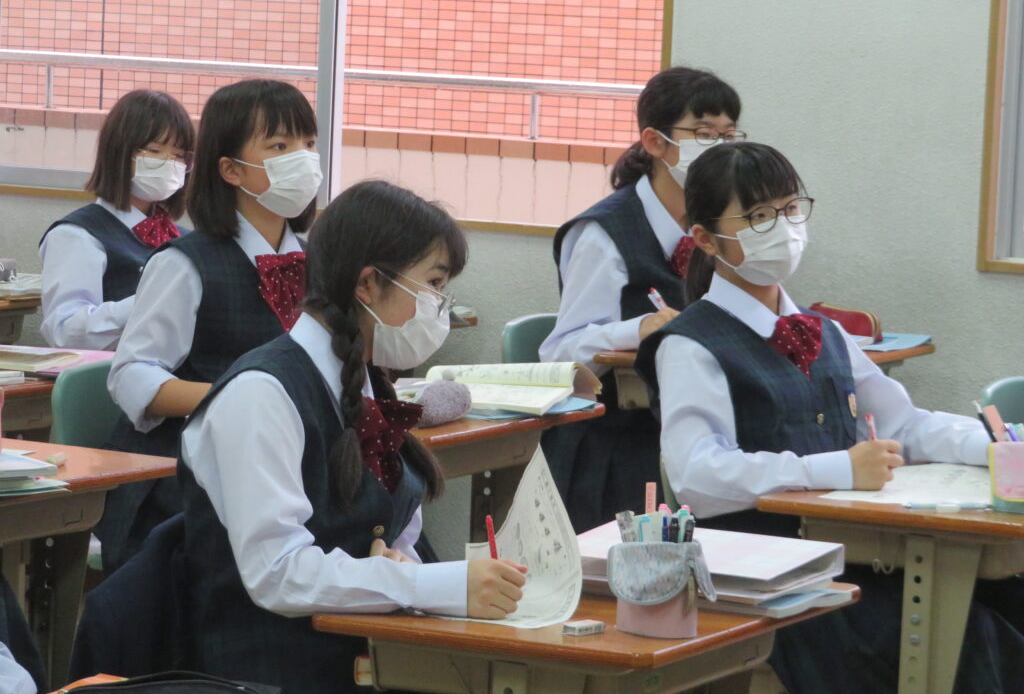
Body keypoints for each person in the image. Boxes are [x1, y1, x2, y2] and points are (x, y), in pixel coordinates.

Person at [635, 141, 1024, 693]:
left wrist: (996, 446)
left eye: (791, 209)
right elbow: (698, 475)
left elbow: (904, 425)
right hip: (775, 577)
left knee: (1007, 600)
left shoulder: (826, 331)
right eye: (759, 216)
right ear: (705, 238)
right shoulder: (690, 345)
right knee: (962, 637)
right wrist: (838, 467)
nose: (784, 228)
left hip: (857, 555)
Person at [179, 179, 527, 693]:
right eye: (433, 284)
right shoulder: (261, 394)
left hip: (367, 656)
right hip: (269, 671)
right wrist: (431, 583)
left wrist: (406, 572)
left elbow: (398, 540)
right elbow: (277, 573)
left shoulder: (366, 380)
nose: (440, 306)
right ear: (367, 284)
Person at [99, 79, 321, 573]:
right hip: (192, 478)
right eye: (279, 146)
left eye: (309, 144)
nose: (303, 160)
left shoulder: (316, 263)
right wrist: (240, 399)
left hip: (285, 465)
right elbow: (132, 375)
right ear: (230, 169)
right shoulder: (184, 263)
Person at [540, 66, 744, 531]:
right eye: (704, 134)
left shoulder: (718, 224)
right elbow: (559, 353)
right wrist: (639, 328)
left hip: (697, 429)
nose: (720, 148)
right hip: (616, 446)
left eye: (729, 135)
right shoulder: (603, 234)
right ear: (655, 142)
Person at [39, 89, 194, 350]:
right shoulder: (78, 235)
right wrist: (151, 302)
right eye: (154, 150)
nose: (169, 163)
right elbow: (64, 330)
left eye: (179, 156)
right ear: (119, 152)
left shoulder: (185, 239)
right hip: (113, 371)